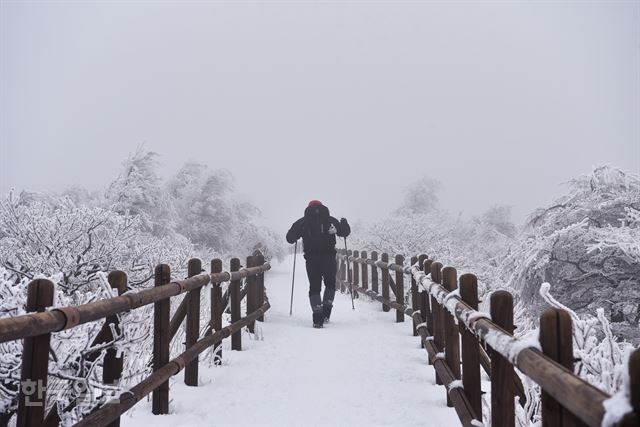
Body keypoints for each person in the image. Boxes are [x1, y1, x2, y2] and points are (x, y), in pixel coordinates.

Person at [286, 200, 350, 328]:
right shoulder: (331, 219)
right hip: (329, 258)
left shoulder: (302, 222)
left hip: (311, 260)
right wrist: (344, 222)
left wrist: (298, 233)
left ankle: (317, 319)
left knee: (314, 286)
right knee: (330, 284)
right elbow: (344, 232)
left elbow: (289, 238)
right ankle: (326, 313)